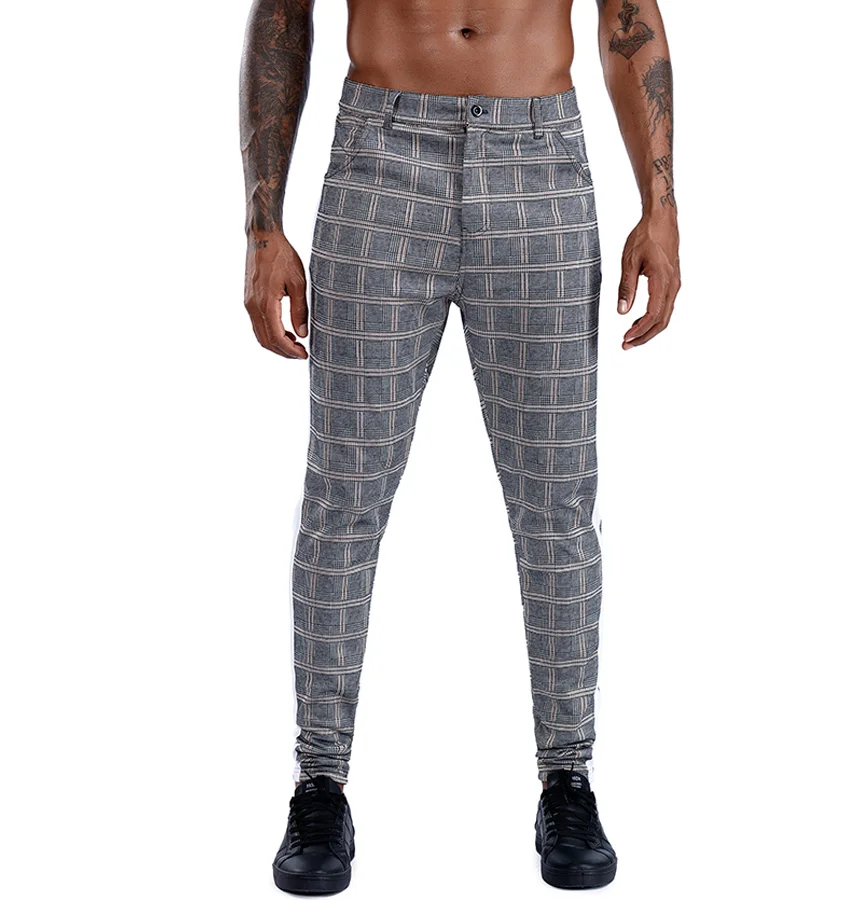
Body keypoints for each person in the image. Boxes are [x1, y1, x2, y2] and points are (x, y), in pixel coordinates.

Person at [239, 0, 680, 892]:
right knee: (343, 499)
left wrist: (661, 205)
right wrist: (261, 225)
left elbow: (628, 18)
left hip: (539, 167)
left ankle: (568, 779)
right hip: (379, 166)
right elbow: (282, 15)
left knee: (556, 504)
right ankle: (319, 784)